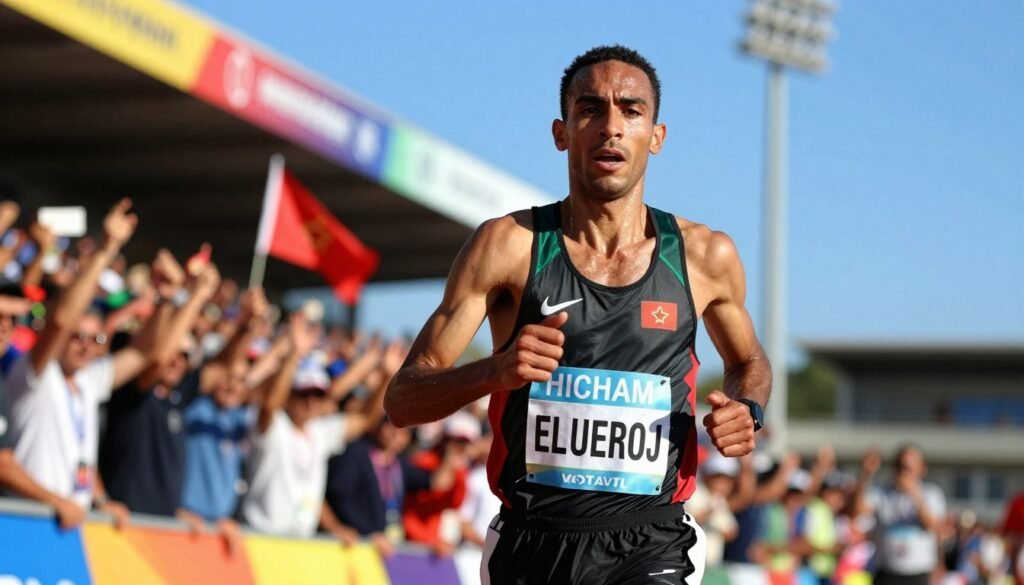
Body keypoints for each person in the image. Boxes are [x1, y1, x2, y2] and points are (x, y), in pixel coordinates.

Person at [385, 45, 771, 585]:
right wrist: (494, 371)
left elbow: (749, 360)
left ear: (656, 136)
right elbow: (402, 400)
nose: (611, 126)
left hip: (651, 539)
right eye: (590, 109)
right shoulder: (509, 246)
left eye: (631, 110)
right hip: (530, 539)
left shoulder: (705, 257)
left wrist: (748, 406)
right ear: (561, 132)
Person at [4, 199, 155, 526]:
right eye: (78, 337)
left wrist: (99, 500)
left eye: (96, 339)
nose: (86, 347)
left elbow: (147, 354)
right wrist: (106, 249)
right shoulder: (32, 373)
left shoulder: (90, 380)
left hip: (70, 528)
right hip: (26, 524)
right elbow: (59, 320)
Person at [853, 445, 948, 585]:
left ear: (922, 469)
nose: (903, 473)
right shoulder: (882, 492)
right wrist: (865, 475)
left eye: (907, 468)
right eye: (899, 467)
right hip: (886, 572)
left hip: (918, 573)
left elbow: (935, 527)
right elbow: (858, 510)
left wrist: (915, 495)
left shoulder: (931, 494)